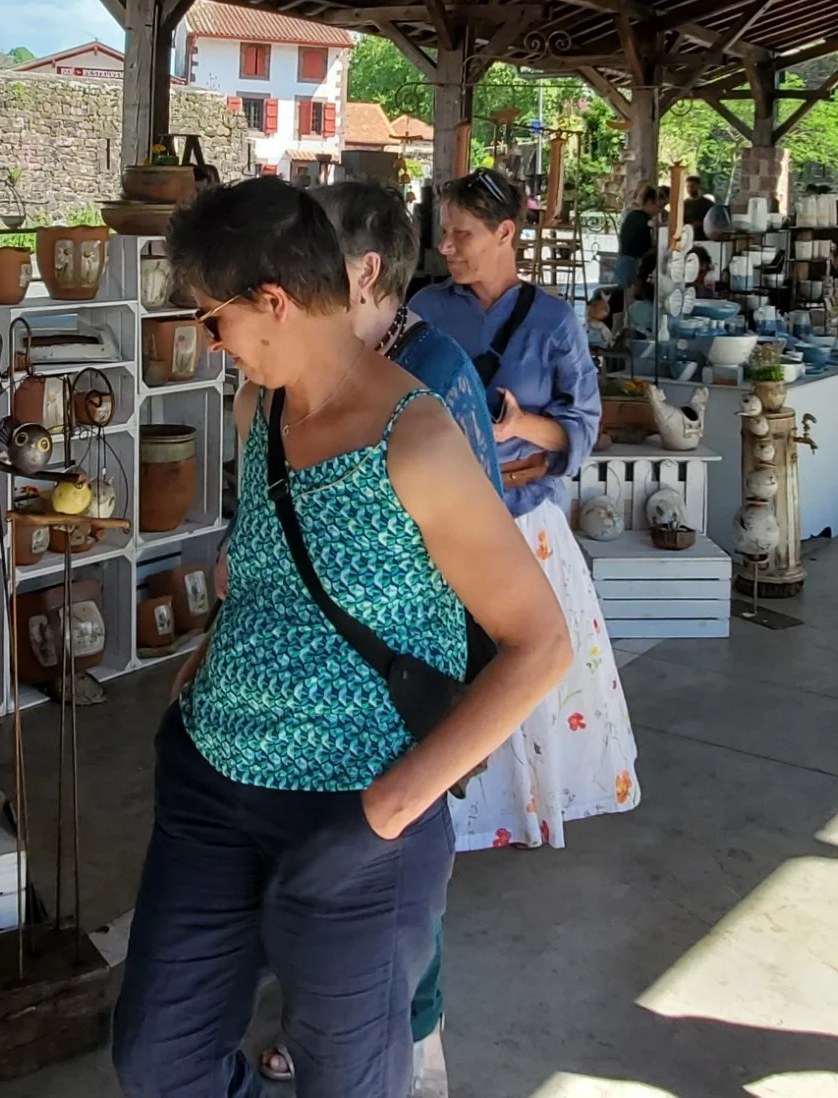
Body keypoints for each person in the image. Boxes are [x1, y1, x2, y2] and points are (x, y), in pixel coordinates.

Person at [112, 179, 569, 1098]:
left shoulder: (417, 441)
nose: (210, 344)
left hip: (353, 815)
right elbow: (264, 566)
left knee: (349, 1080)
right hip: (210, 782)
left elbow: (540, 645)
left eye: (213, 320)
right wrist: (203, 661)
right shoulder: (261, 409)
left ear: (272, 302)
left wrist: (386, 813)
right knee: (158, 1061)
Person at [264, 180, 501, 1089]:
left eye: (306, 255)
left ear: (363, 272)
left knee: (397, 878)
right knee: (323, 862)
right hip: (323, 678)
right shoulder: (332, 363)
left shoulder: (429, 374)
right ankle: (333, 1020)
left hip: (403, 678)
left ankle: (415, 1048)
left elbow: (465, 564)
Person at [411, 169, 640, 850]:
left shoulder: (551, 320)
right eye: (442, 233)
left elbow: (582, 422)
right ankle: (446, 810)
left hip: (525, 525)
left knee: (527, 669)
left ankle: (528, 802)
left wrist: (520, 427)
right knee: (445, 667)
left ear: (505, 233)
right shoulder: (424, 307)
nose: (446, 246)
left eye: (462, 234)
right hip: (443, 523)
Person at [612, 184, 660, 292]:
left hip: (626, 260)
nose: (658, 210)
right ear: (649, 203)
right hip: (630, 262)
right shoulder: (641, 218)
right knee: (625, 293)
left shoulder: (633, 216)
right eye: (658, 206)